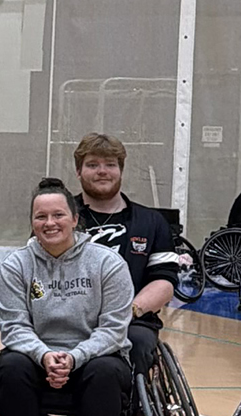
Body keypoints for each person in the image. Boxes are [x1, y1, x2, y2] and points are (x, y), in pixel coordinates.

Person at [0, 179, 135, 416]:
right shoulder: (16, 265)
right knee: (10, 367)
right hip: (37, 358)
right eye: (40, 216)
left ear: (74, 219)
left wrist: (74, 357)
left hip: (94, 358)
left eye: (58, 215)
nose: (50, 223)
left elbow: (114, 329)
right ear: (32, 222)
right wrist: (44, 355)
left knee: (105, 371)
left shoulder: (107, 264)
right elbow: (13, 326)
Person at [72, 133, 180, 373]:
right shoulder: (57, 218)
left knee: (137, 342)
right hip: (67, 321)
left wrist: (127, 312)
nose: (102, 171)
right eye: (92, 165)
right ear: (78, 171)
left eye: (110, 165)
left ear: (120, 170)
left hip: (130, 322)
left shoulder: (151, 222)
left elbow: (164, 283)